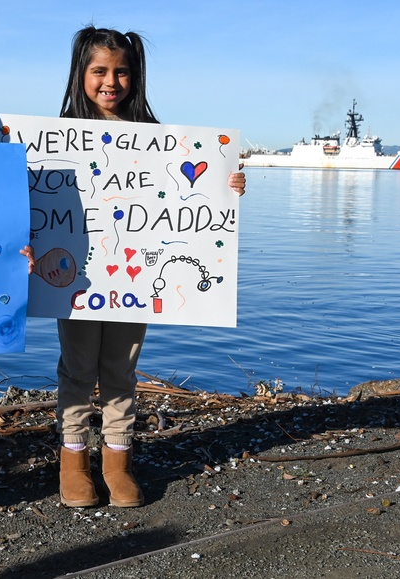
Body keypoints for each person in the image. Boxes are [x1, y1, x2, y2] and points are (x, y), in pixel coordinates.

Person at [51, 26, 246, 508]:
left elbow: (191, 196)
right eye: (100, 71)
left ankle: (117, 462)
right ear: (80, 74)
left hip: (135, 277)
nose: (110, 82)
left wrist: (227, 186)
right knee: (78, 368)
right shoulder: (55, 136)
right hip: (77, 277)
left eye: (121, 72)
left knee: (121, 367)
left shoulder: (158, 139)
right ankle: (73, 461)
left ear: (135, 77)